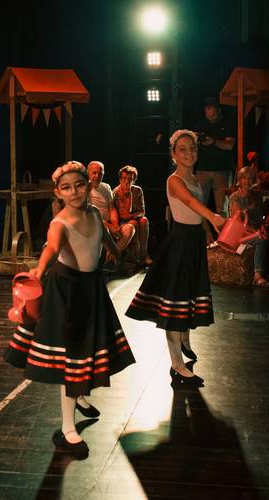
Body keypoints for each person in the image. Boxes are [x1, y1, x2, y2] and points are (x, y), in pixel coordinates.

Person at [4, 161, 136, 458]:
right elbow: (52, 248)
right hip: (67, 292)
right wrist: (39, 269)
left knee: (87, 350)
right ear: (58, 193)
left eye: (79, 185)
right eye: (66, 188)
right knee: (73, 358)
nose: (74, 191)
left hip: (91, 288)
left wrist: (115, 251)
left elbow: (104, 237)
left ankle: (81, 397)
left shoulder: (94, 214)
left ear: (88, 186)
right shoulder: (59, 222)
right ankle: (68, 427)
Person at [126, 130, 226, 386]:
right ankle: (177, 365)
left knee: (188, 294)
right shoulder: (174, 180)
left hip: (193, 241)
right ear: (173, 154)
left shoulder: (194, 178)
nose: (189, 153)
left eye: (192, 148)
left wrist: (206, 230)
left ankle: (184, 338)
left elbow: (196, 211)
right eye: (182, 149)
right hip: (180, 242)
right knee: (175, 302)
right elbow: (190, 202)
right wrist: (213, 216)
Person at [194, 96, 236, 216]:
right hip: (202, 170)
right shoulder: (201, 124)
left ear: (219, 110)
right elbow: (194, 143)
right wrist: (198, 139)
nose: (210, 116)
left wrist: (213, 141)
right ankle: (204, 229)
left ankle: (224, 228)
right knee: (198, 207)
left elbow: (229, 145)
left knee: (223, 209)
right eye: (207, 112)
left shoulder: (227, 123)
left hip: (222, 171)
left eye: (212, 113)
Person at [87, 160, 135, 265]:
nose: (97, 176)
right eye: (94, 173)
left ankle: (110, 257)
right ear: (88, 173)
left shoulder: (106, 187)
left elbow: (112, 208)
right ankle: (113, 259)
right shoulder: (85, 189)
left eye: (100, 173)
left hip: (110, 223)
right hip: (96, 224)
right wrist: (110, 227)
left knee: (130, 228)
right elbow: (90, 215)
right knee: (101, 228)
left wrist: (115, 225)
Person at [228, 166, 269, 286]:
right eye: (244, 178)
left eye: (250, 178)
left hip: (254, 230)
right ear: (240, 180)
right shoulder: (235, 197)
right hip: (241, 232)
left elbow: (260, 217)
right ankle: (257, 275)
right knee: (260, 240)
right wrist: (255, 233)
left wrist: (262, 228)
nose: (247, 181)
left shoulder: (257, 196)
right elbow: (237, 223)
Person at [112, 165, 153, 266]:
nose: (127, 181)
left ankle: (144, 254)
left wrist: (133, 215)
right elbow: (123, 215)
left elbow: (142, 212)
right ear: (120, 179)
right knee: (134, 223)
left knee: (143, 220)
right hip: (121, 221)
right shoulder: (117, 192)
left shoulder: (138, 190)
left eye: (130, 179)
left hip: (135, 218)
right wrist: (128, 195)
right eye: (124, 178)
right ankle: (132, 257)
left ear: (134, 180)